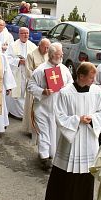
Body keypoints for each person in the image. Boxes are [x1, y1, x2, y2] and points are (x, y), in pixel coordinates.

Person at [45, 62, 101, 200]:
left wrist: (92, 118)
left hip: (88, 137)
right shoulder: (65, 92)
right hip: (71, 138)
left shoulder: (96, 92)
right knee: (66, 169)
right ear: (81, 76)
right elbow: (59, 116)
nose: (94, 80)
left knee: (86, 172)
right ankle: (58, 199)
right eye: (91, 77)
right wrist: (77, 120)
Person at [27, 42, 73, 170]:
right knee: (44, 132)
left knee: (56, 132)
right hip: (43, 107)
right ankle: (44, 157)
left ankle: (55, 155)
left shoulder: (63, 69)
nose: (62, 55)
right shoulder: (41, 70)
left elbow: (71, 82)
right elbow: (30, 86)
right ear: (52, 55)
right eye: (59, 54)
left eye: (62, 53)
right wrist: (43, 91)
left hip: (59, 107)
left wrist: (65, 88)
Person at [6, 27, 36, 119]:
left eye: (27, 33)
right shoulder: (13, 45)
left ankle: (25, 113)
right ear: (19, 34)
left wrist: (29, 62)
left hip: (27, 73)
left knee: (26, 93)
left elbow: (36, 59)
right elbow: (7, 58)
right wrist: (19, 61)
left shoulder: (33, 46)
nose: (25, 35)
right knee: (17, 93)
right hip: (17, 73)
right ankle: (15, 113)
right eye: (23, 33)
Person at [23, 38, 50, 134]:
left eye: (48, 48)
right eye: (45, 47)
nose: (46, 50)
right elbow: (28, 71)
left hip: (46, 87)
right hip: (35, 86)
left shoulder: (49, 55)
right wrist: (38, 82)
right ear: (39, 46)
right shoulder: (31, 55)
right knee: (32, 108)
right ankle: (31, 129)